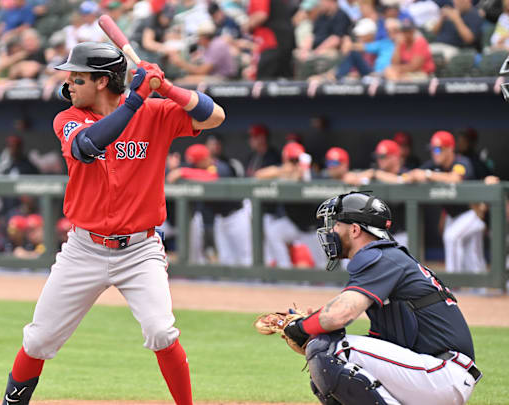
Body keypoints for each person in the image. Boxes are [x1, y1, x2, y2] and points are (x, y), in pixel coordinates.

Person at [0, 41, 225, 404]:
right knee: (39, 338)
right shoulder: (68, 118)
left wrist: (164, 87)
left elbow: (214, 116)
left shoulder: (155, 112)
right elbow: (88, 145)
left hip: (139, 250)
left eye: (78, 76)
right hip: (83, 249)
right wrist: (136, 100)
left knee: (160, 331)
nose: (69, 83)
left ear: (103, 81)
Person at [283, 191, 480, 405]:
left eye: (336, 224)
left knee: (331, 350)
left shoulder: (381, 256)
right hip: (433, 373)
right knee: (327, 354)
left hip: (442, 373)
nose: (331, 231)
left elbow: (340, 314)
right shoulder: (386, 257)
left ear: (355, 230)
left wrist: (302, 327)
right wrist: (316, 330)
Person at [404, 131, 485, 273]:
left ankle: (455, 283)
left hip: (473, 212)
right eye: (432, 150)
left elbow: (455, 178)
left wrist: (428, 175)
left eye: (437, 149)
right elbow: (408, 176)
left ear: (449, 149)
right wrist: (413, 176)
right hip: (453, 215)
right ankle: (475, 288)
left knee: (453, 238)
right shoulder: (433, 165)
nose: (434, 153)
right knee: (470, 254)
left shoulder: (461, 162)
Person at [166, 144, 252, 266]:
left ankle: (257, 284)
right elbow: (176, 173)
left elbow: (211, 177)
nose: (193, 165)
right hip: (220, 219)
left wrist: (182, 171)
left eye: (196, 162)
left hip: (237, 216)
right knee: (226, 259)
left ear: (204, 159)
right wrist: (173, 167)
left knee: (246, 256)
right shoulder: (196, 168)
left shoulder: (221, 167)